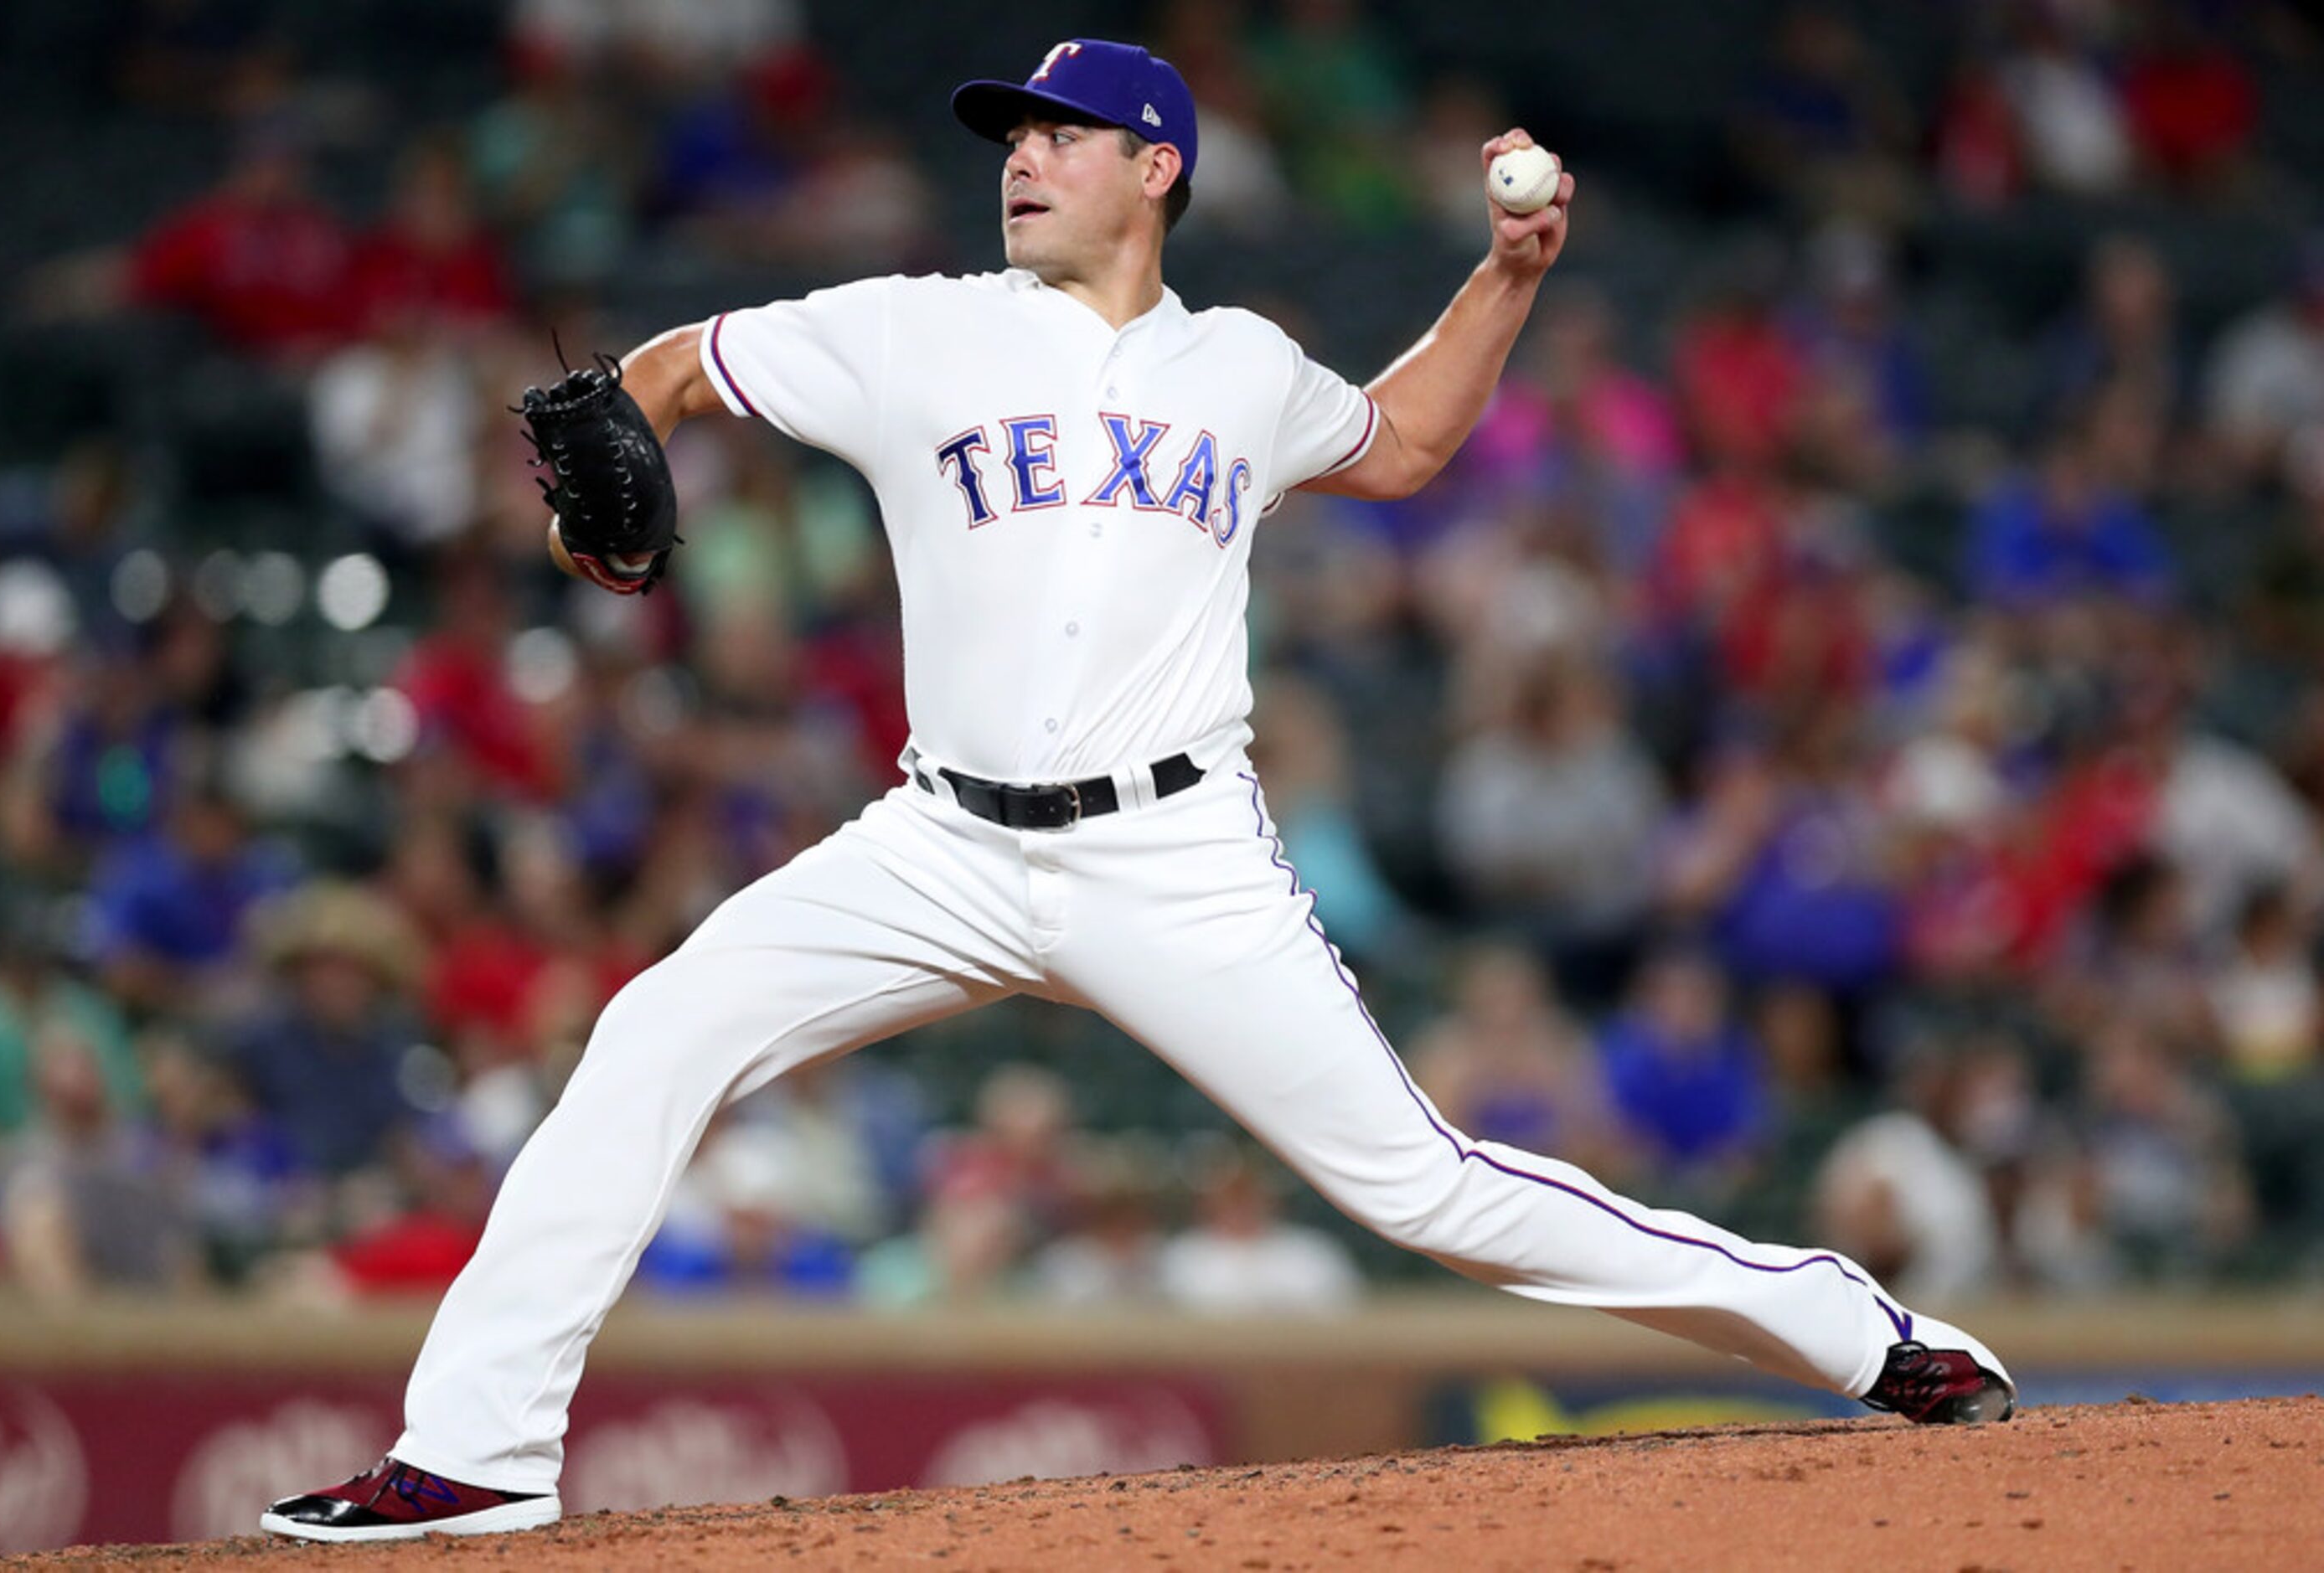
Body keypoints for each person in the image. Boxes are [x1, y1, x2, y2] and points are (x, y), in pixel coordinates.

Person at [263, 39, 2013, 1544]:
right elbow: (659, 372)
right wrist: (606, 491)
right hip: (937, 841)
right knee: (656, 1033)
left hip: (1175, 853)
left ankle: (1857, 1335)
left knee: (1425, 1189)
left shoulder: (1238, 367)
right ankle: (470, 1462)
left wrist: (1511, 277)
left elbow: (1399, 447)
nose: (1018, 158)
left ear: (1153, 167)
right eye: (1007, 137)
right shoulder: (909, 331)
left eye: (1056, 134)